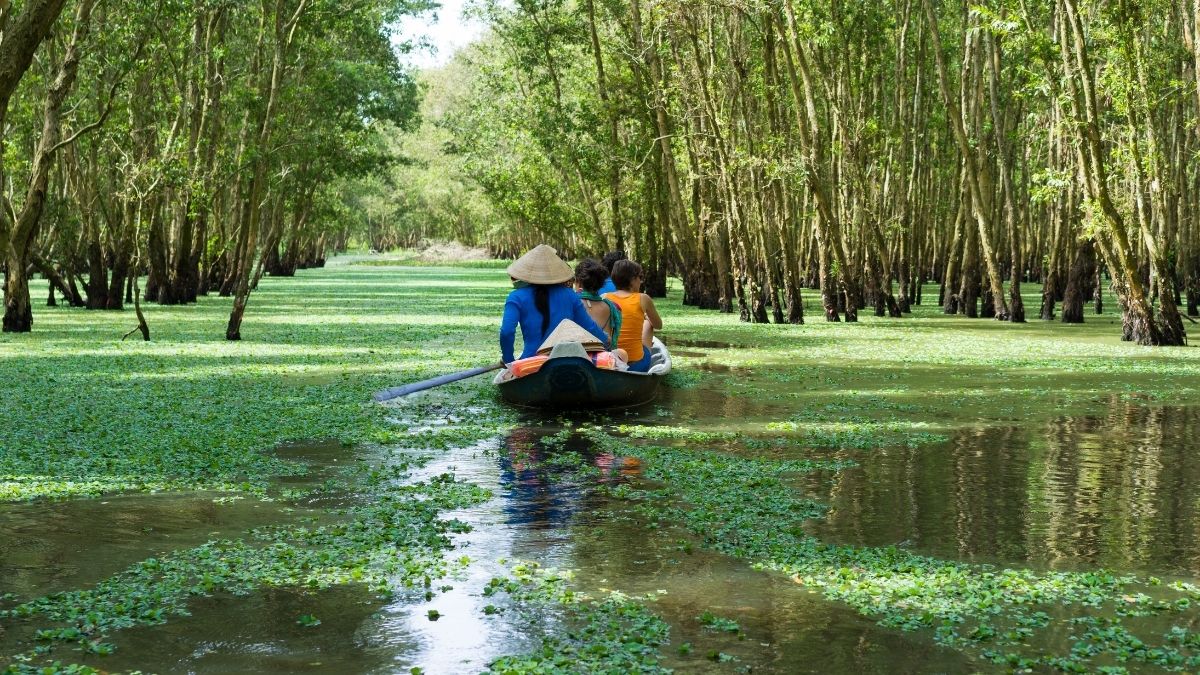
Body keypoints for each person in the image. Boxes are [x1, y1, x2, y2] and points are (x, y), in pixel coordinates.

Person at [500, 245, 609, 364]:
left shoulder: (516, 297)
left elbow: (507, 332)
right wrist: (606, 340)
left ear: (528, 272)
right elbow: (589, 327)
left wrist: (508, 360)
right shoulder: (570, 295)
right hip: (566, 360)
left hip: (530, 361)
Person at [604, 259, 663, 373]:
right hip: (636, 364)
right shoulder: (643, 298)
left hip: (611, 362)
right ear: (632, 279)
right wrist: (646, 317)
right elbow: (658, 325)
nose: (641, 281)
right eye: (639, 277)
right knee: (648, 323)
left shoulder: (605, 297)